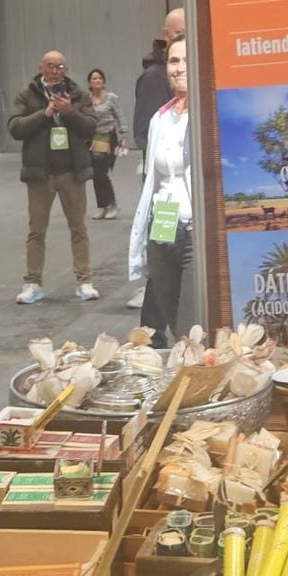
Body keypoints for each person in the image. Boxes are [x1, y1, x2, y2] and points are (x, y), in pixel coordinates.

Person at [9, 51, 100, 304]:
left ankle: (84, 281)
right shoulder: (27, 94)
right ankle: (32, 283)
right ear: (41, 68)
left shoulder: (78, 94)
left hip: (72, 172)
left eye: (60, 66)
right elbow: (15, 128)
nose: (55, 71)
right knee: (36, 230)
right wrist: (45, 113)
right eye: (50, 66)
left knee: (79, 228)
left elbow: (91, 126)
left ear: (66, 69)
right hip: (40, 174)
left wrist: (70, 112)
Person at [129, 34, 195, 346]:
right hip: (163, 228)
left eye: (185, 60)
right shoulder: (161, 119)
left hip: (195, 233)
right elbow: (153, 182)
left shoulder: (208, 115)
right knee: (171, 317)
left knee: (193, 324)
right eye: (173, 61)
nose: (179, 68)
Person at [130, 7, 185, 313]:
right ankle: (153, 333)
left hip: (186, 199)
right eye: (178, 33)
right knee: (162, 265)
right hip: (165, 196)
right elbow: (144, 134)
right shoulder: (153, 78)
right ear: (166, 37)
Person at [86, 68, 128, 221]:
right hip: (93, 140)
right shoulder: (87, 100)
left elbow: (120, 117)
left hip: (109, 138)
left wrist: (123, 135)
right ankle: (103, 207)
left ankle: (113, 205)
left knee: (102, 173)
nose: (97, 81)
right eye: (94, 78)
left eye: (99, 78)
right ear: (89, 83)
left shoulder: (111, 98)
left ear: (103, 81)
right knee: (96, 175)